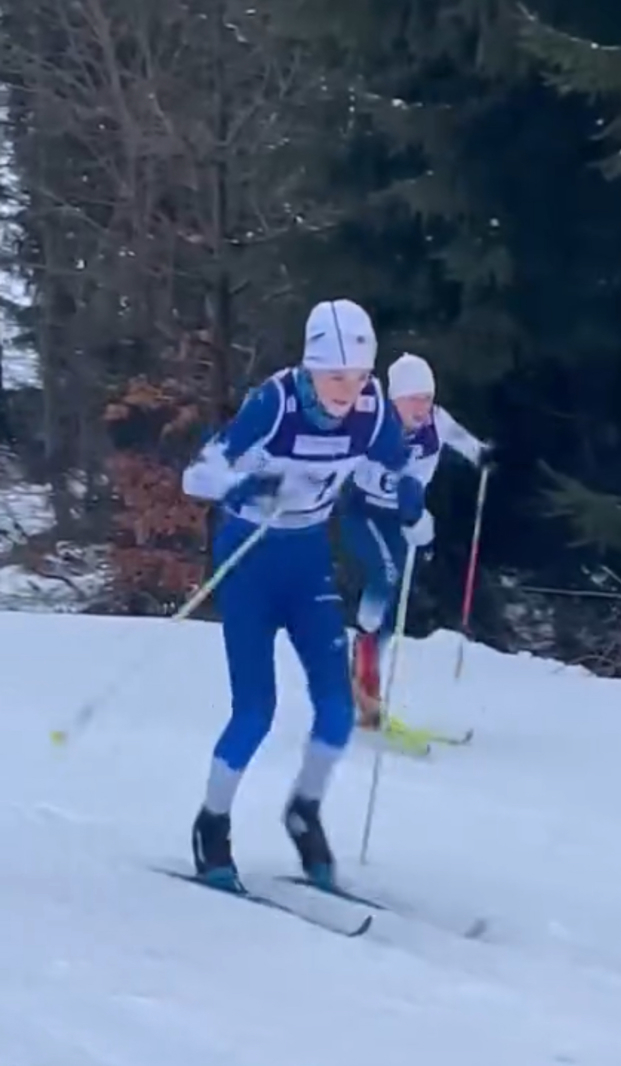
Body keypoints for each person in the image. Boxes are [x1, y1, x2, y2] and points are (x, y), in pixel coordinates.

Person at [182, 298, 415, 891]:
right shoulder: (276, 403)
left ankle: (304, 811)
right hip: (249, 558)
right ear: (311, 367)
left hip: (308, 557)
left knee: (336, 709)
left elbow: (398, 467)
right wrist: (243, 485)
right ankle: (212, 823)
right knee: (255, 711)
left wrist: (409, 498)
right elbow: (198, 476)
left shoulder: (372, 411)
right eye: (335, 376)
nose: (347, 390)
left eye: (359, 376)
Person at [339, 352, 493, 726]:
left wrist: (481, 455)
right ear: (395, 399)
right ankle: (361, 638)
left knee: (392, 603)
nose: (422, 407)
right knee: (384, 576)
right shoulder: (373, 421)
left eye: (427, 398)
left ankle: (367, 674)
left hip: (400, 520)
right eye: (414, 399)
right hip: (362, 512)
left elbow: (460, 439)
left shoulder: (436, 421)